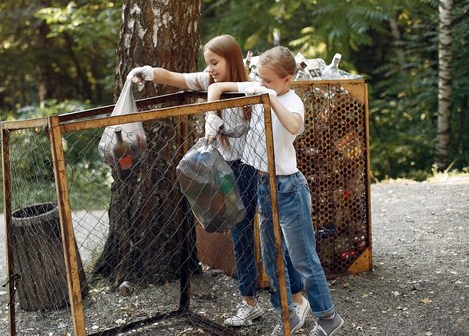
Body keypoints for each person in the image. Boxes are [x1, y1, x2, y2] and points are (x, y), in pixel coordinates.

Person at [126, 34, 307, 327]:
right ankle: (248, 301)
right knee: (239, 233)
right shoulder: (209, 81)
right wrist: (147, 72)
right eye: (207, 63)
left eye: (215, 62)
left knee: (274, 236)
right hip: (226, 170)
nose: (210, 68)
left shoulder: (254, 85)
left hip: (254, 167)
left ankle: (294, 297)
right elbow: (177, 78)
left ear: (231, 60)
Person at [205, 45, 344, 336]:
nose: (262, 84)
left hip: (288, 188)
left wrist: (270, 99)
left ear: (286, 80)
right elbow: (218, 88)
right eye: (260, 78)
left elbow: (294, 125)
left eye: (269, 81)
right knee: (270, 255)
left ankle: (328, 318)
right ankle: (288, 313)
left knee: (303, 256)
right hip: (262, 183)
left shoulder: (292, 101)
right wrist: (211, 117)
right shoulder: (259, 88)